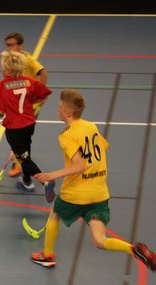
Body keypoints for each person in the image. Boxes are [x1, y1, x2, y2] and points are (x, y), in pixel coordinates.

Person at [30, 89, 155, 271]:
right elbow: (103, 147)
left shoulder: (66, 136)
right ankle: (134, 249)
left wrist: (51, 176)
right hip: (99, 192)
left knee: (55, 213)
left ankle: (47, 255)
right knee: (100, 240)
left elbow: (80, 165)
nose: (58, 110)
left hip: (76, 193)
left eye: (60, 107)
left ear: (68, 113)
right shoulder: (91, 127)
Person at [0, 50, 55, 202]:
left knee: (24, 159)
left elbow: (0, 113)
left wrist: (2, 109)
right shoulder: (30, 81)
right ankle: (27, 181)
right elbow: (43, 95)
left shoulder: (1, 86)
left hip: (13, 129)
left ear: (7, 70)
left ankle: (46, 181)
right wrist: (31, 101)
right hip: (29, 124)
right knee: (25, 152)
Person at [4, 32, 49, 178]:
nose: (9, 48)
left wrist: (41, 96)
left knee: (20, 137)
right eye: (7, 45)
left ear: (20, 46)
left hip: (30, 107)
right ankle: (19, 160)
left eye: (12, 45)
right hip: (17, 105)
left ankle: (20, 166)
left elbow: (43, 72)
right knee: (17, 136)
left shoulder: (27, 59)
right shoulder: (9, 59)